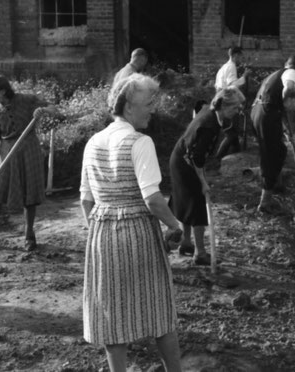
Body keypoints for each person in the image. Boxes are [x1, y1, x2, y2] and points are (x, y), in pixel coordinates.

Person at [80, 73, 183, 372]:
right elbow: (152, 198)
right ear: (128, 108)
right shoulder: (140, 142)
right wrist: (176, 226)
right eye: (149, 103)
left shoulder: (93, 142)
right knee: (159, 309)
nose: (153, 109)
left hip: (102, 235)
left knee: (112, 311)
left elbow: (86, 200)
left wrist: (99, 232)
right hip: (138, 232)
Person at [0, 72, 57, 251]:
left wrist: (43, 110)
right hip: (6, 151)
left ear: (3, 91)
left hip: (28, 149)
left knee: (29, 193)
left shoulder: (26, 99)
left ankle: (29, 235)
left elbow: (53, 108)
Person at [168, 87, 246, 265]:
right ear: (224, 106)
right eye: (235, 108)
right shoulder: (210, 125)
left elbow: (198, 109)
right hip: (185, 162)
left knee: (187, 203)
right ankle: (200, 253)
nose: (237, 112)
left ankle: (187, 243)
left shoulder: (209, 111)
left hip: (179, 157)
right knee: (195, 206)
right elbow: (197, 158)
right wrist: (203, 182)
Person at [251, 54, 295, 214]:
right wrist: (285, 98)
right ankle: (265, 202)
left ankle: (275, 184)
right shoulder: (291, 72)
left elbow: (271, 102)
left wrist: (284, 128)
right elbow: (288, 87)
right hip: (266, 115)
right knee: (274, 154)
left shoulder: (273, 75)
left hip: (257, 113)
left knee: (273, 151)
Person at [214, 46, 251, 163]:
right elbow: (232, 86)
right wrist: (244, 77)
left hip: (221, 99)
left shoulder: (223, 67)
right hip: (226, 102)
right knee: (231, 134)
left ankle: (237, 154)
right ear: (235, 56)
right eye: (241, 56)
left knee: (233, 132)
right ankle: (217, 159)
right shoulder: (231, 67)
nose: (242, 59)